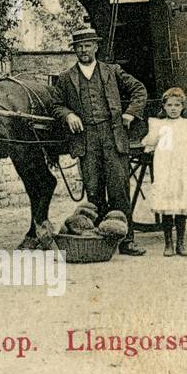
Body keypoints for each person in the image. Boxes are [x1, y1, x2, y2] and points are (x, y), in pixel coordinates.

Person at [51, 26, 148, 255]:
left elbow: (139, 90)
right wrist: (69, 115)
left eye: (87, 45)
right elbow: (56, 105)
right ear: (74, 50)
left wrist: (130, 113)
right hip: (86, 141)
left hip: (112, 137)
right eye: (79, 46)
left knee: (118, 190)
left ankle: (126, 241)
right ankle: (100, 241)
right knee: (93, 192)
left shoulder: (112, 71)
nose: (84, 50)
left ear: (96, 47)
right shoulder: (66, 79)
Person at [141, 87, 187, 257]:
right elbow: (150, 144)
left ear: (183, 107)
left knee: (181, 207)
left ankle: (181, 244)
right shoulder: (158, 125)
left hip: (183, 170)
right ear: (164, 107)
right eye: (170, 105)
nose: (173, 108)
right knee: (167, 207)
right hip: (165, 171)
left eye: (177, 105)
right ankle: (168, 244)